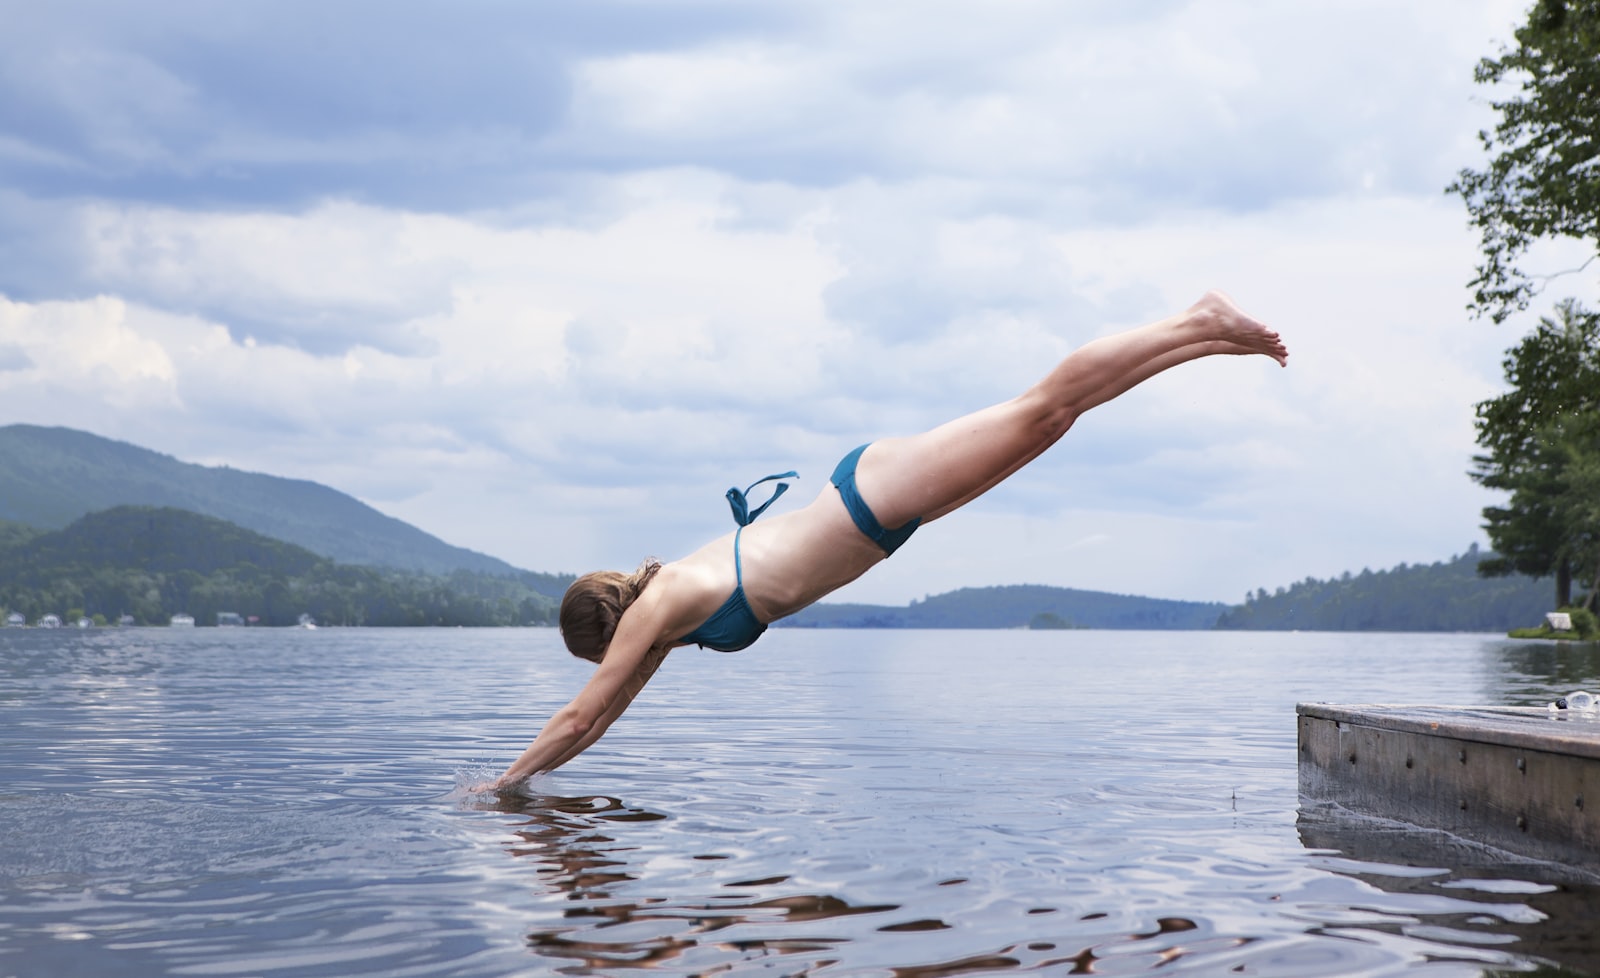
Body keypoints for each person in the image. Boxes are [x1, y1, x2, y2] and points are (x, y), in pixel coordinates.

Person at [486, 291, 1287, 790]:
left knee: (1041, 407)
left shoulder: (659, 606)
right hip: (882, 517)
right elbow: (607, 712)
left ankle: (1198, 321)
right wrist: (527, 786)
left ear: (604, 634)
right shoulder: (663, 621)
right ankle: (1205, 339)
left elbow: (580, 716)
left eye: (599, 657)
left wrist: (496, 788)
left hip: (870, 499)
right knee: (1052, 425)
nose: (610, 669)